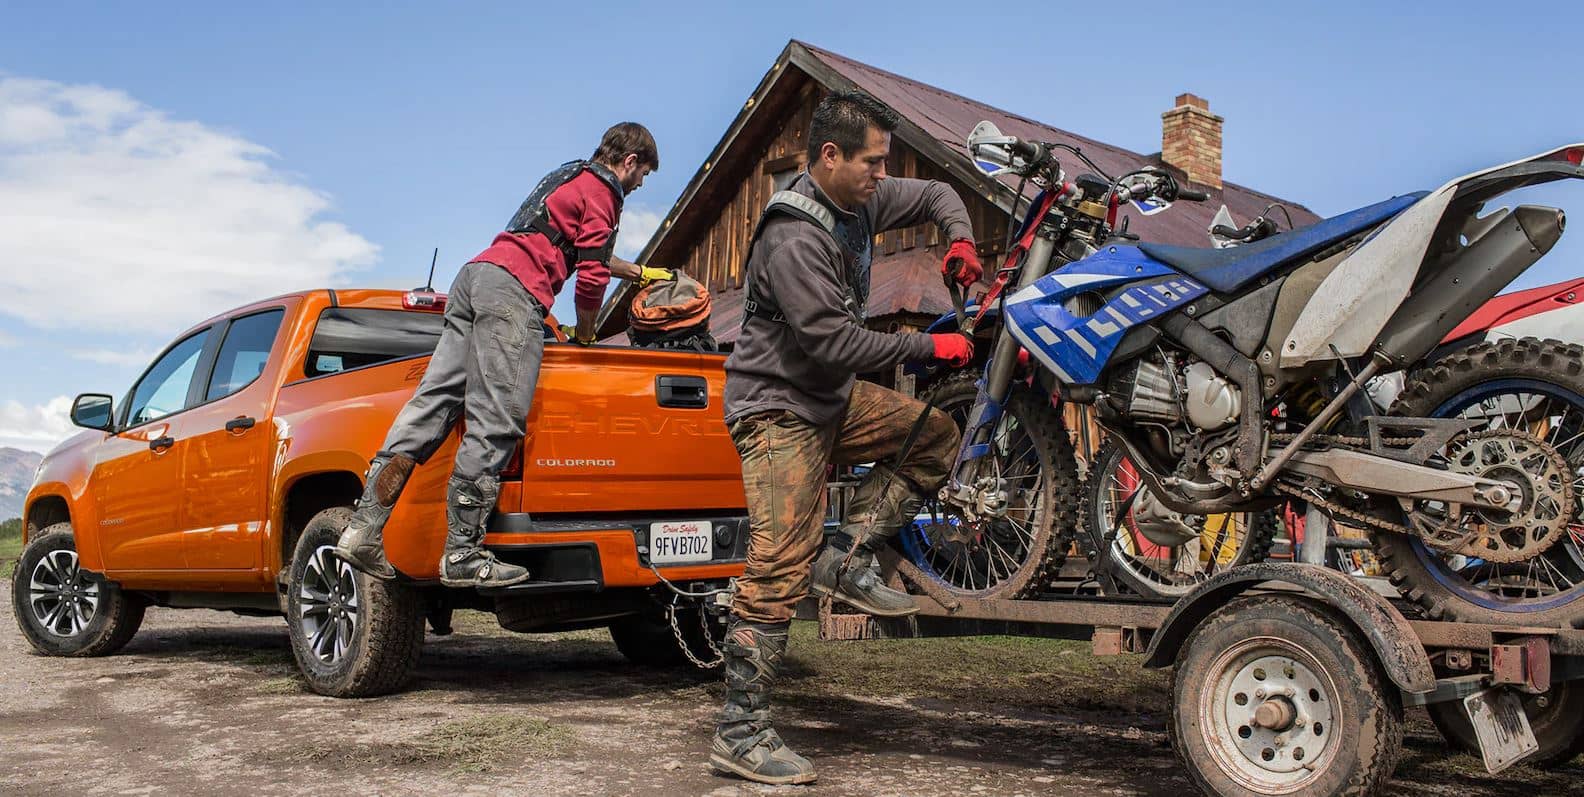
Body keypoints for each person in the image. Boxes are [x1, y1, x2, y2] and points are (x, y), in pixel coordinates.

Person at [710, 91, 983, 785]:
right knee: (777, 563)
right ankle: (740, 731)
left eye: (884, 162)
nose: (880, 175)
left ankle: (849, 550)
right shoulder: (792, 237)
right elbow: (833, 342)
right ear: (829, 156)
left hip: (827, 399)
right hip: (777, 409)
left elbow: (940, 193)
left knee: (933, 435)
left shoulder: (861, 201)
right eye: (871, 162)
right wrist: (931, 345)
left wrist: (960, 242)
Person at [335, 122, 672, 587]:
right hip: (513, 295)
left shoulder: (570, 176)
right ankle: (463, 555)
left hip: (476, 277)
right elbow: (591, 275)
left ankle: (363, 529)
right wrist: (589, 334)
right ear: (630, 162)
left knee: (434, 406)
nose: (639, 186)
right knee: (498, 418)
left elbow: (572, 246)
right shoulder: (605, 191)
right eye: (644, 176)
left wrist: (636, 271)